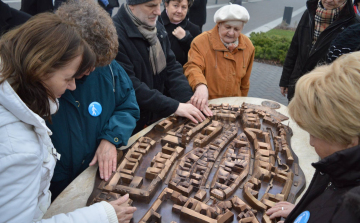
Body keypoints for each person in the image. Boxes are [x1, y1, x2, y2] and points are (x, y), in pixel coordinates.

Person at [0, 13, 136, 223]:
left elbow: (127, 103)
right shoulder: (20, 147)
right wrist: (102, 216)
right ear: (42, 67)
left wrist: (111, 136)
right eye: (69, 77)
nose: (73, 85)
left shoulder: (24, 96)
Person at [47, 0, 140, 201]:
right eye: (88, 65)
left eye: (97, 66)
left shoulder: (108, 68)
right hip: (53, 190)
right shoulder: (43, 81)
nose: (91, 71)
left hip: (95, 180)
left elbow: (127, 105)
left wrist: (111, 137)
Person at [266, 51, 360, 223]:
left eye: (314, 134)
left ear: (349, 140)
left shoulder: (350, 211)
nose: (311, 142)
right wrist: (306, 212)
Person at [112, 0, 212, 135]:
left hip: (154, 114)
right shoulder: (115, 34)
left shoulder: (154, 24)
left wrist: (187, 99)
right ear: (132, 6)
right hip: (129, 122)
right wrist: (174, 106)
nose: (158, 12)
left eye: (158, 4)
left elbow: (170, 65)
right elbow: (130, 85)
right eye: (151, 6)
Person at [279, 0, 360, 101]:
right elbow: (294, 47)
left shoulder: (353, 25)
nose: (329, 0)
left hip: (323, 95)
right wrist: (285, 80)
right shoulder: (309, 13)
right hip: (297, 85)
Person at [183, 4, 254, 111]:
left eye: (236, 29)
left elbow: (245, 83)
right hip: (207, 106)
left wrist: (241, 104)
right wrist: (200, 85)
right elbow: (193, 67)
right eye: (228, 27)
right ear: (219, 24)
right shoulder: (201, 42)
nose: (231, 33)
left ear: (242, 28)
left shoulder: (248, 46)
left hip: (233, 107)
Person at [161, 0, 201, 66]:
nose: (179, 11)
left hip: (183, 74)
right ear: (166, 4)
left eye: (184, 7)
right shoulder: (155, 25)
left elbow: (200, 57)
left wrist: (187, 39)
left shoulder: (194, 30)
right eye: (175, 6)